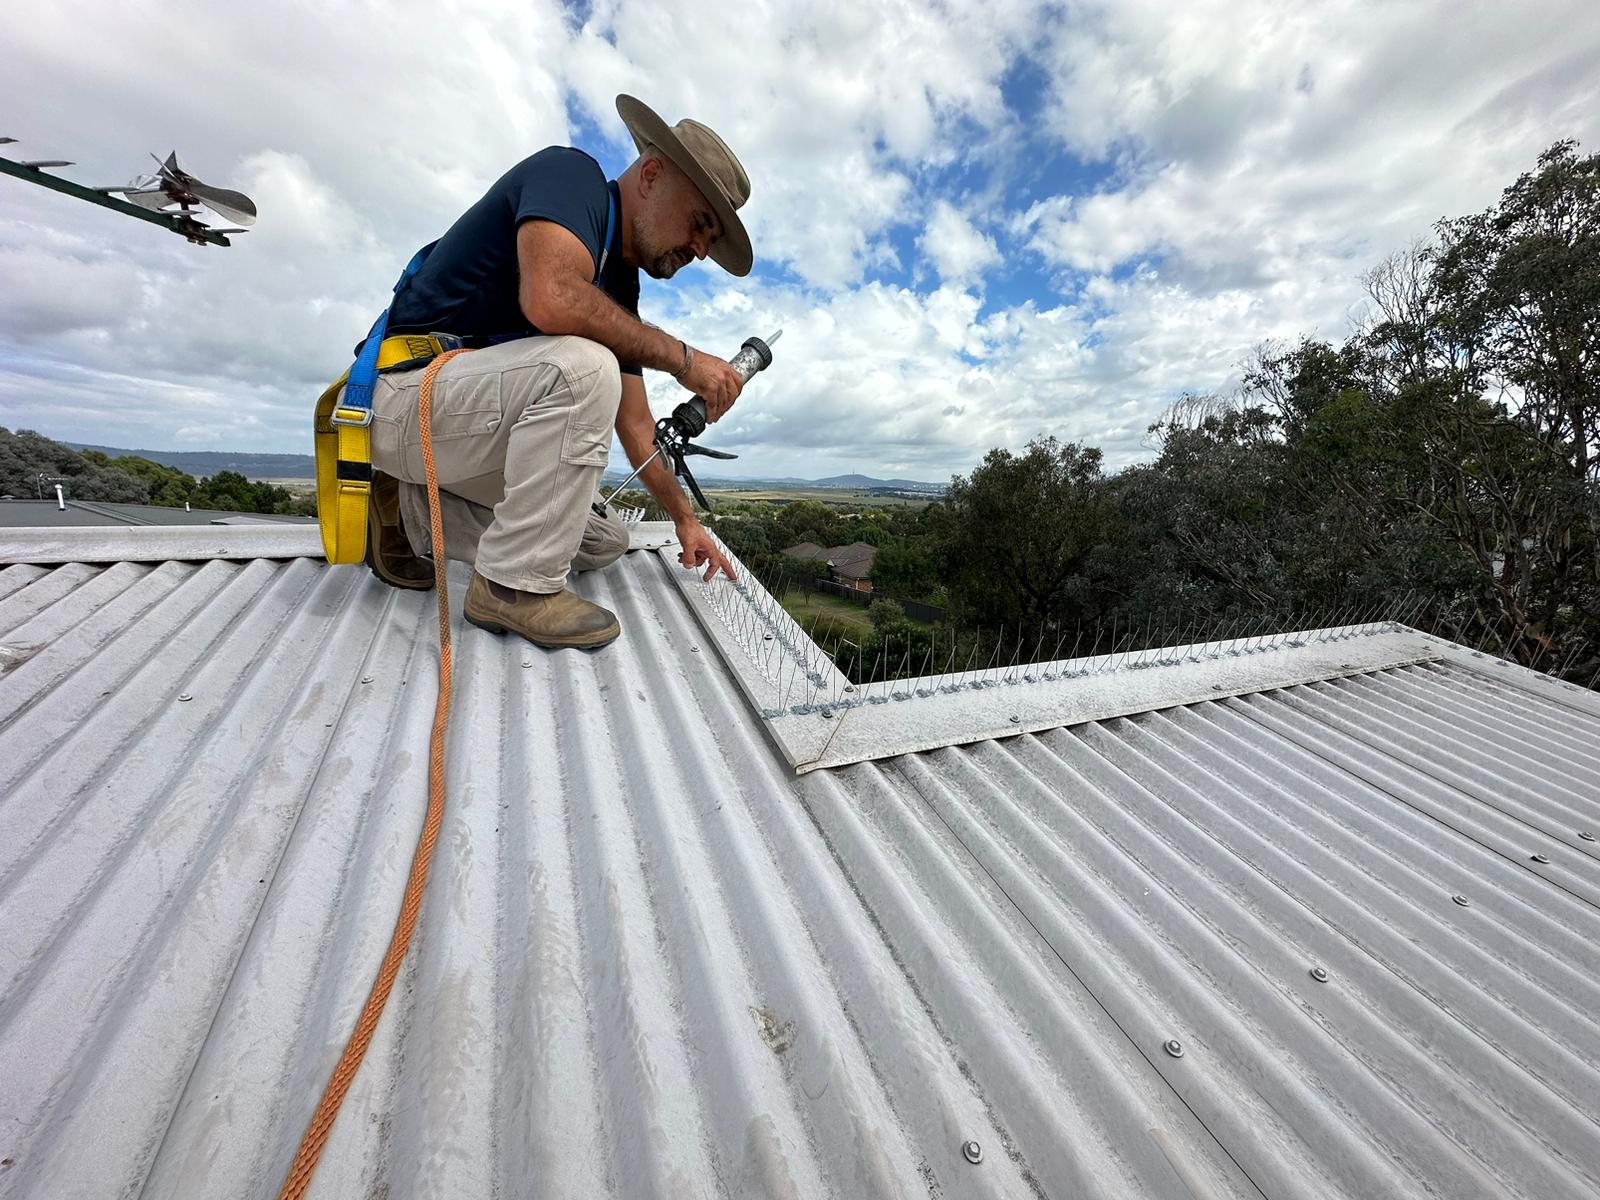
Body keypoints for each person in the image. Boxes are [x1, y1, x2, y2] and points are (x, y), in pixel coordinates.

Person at [361, 94, 753, 650]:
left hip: (456, 428)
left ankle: (408, 509)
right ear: (652, 173)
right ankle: (512, 589)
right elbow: (551, 298)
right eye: (699, 223)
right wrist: (687, 361)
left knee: (600, 539)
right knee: (587, 368)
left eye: (710, 241)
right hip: (401, 398)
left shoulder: (618, 285)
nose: (699, 248)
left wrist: (686, 522)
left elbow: (637, 430)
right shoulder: (571, 178)